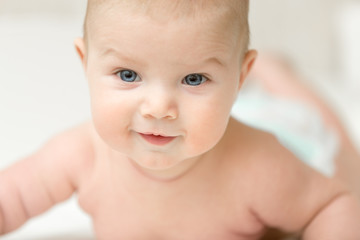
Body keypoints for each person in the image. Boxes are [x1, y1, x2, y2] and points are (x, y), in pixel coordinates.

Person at [0, 0, 359, 239]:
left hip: (288, 134)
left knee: (344, 160)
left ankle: (277, 71)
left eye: (193, 79)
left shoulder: (260, 167)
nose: (158, 108)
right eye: (127, 75)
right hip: (209, 121)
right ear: (85, 63)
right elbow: (10, 197)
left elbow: (334, 203)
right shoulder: (80, 155)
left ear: (238, 77)